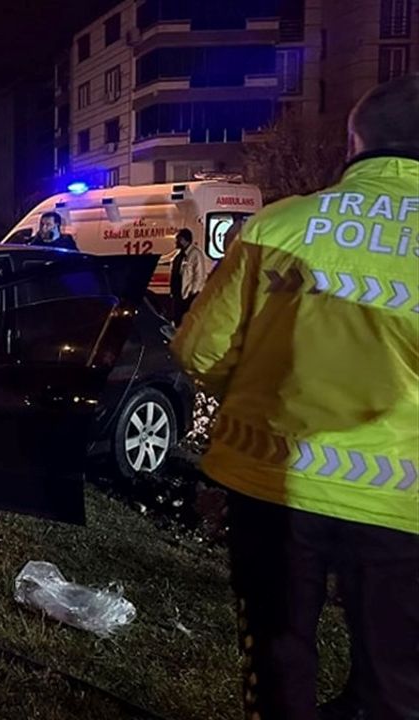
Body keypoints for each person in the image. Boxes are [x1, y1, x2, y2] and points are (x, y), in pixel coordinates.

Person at [170, 75, 419, 720]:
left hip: (274, 485)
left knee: (280, 662)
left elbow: (199, 354)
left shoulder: (280, 226)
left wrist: (255, 388)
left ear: (354, 142)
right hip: (404, 505)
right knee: (396, 680)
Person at [169, 228, 208, 325]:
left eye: (178, 239)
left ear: (184, 240)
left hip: (187, 295)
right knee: (178, 320)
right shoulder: (179, 255)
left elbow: (199, 275)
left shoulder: (195, 254)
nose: (176, 242)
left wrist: (193, 292)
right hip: (178, 294)